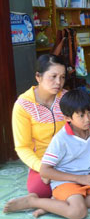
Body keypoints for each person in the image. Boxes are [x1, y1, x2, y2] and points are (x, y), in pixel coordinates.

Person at [4, 89, 90, 219]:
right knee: (78, 213)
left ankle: (55, 204)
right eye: (81, 115)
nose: (87, 119)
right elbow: (45, 171)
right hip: (65, 182)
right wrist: (79, 179)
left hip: (88, 178)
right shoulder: (61, 139)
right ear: (67, 118)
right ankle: (33, 202)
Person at [11, 54, 67, 198]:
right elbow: (22, 147)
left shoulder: (66, 98)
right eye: (53, 76)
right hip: (43, 161)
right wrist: (42, 168)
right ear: (38, 77)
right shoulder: (23, 105)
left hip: (71, 156)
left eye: (62, 77)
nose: (58, 82)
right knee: (39, 189)